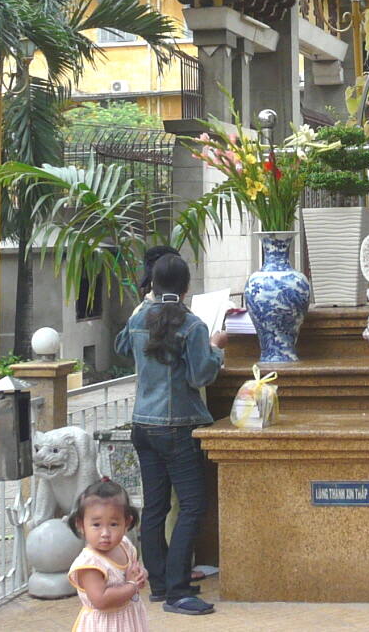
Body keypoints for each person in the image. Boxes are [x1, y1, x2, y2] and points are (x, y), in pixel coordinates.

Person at [114, 253, 231, 616]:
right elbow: (200, 376)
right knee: (192, 506)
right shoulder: (193, 325)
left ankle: (160, 583)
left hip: (142, 426)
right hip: (178, 427)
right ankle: (179, 591)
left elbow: (121, 349)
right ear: (186, 287)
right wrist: (216, 349)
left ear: (153, 284)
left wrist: (141, 310)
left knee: (155, 506)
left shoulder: (139, 318)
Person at [66, 479, 148, 631]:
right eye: (96, 525)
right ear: (80, 524)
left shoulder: (125, 545)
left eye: (113, 524)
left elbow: (134, 569)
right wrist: (132, 585)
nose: (105, 533)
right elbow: (101, 600)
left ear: (127, 523)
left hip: (128, 620)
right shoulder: (90, 564)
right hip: (104, 626)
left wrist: (141, 574)